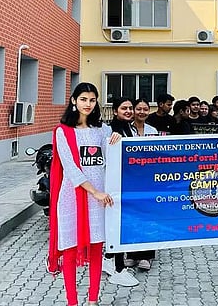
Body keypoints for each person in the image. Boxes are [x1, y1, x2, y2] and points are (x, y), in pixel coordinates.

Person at [47, 82, 121, 306]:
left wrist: (117, 140)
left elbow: (111, 160)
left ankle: (93, 299)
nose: (88, 104)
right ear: (73, 101)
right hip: (72, 197)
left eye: (92, 100)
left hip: (99, 199)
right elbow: (70, 169)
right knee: (70, 250)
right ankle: (72, 301)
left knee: (97, 249)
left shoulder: (103, 130)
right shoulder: (63, 131)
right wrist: (95, 192)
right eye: (83, 99)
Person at [102, 98, 141, 287]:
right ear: (115, 110)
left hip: (128, 183)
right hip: (115, 186)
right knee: (117, 226)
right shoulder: (110, 130)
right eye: (124, 108)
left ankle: (109, 259)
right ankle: (118, 270)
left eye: (130, 108)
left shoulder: (130, 128)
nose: (128, 111)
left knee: (121, 224)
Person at [124, 98, 158, 272]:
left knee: (148, 216)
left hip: (148, 180)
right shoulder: (125, 130)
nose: (142, 112)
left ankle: (146, 255)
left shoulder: (153, 131)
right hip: (129, 179)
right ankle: (131, 254)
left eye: (145, 109)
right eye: (138, 109)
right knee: (131, 216)